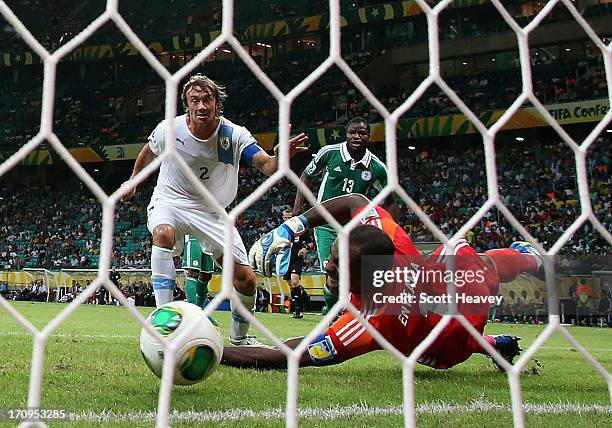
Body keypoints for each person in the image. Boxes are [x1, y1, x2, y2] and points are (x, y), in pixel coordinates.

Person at [223, 194, 540, 370]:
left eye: (336, 265)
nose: (327, 265)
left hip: (451, 334)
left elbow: (292, 356)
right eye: (333, 256)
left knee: (467, 259)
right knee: (456, 252)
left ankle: (531, 259)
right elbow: (354, 201)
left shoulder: (372, 320)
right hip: (435, 305)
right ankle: (499, 342)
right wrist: (293, 226)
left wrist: (212, 349)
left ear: (366, 278)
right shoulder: (390, 239)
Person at [121, 73, 308, 345]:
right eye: (194, 100)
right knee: (162, 233)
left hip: (212, 212)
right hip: (171, 201)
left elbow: (266, 166)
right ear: (186, 103)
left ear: (216, 102)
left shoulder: (233, 135)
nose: (201, 106)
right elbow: (149, 151)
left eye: (206, 99)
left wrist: (279, 158)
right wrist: (133, 181)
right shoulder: (170, 129)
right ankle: (163, 322)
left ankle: (240, 339)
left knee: (245, 279)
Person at [292, 117, 398, 313]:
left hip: (354, 227)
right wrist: (298, 210)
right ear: (346, 134)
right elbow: (307, 175)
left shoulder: (377, 167)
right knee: (331, 271)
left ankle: (341, 309)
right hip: (326, 223)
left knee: (351, 273)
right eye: (353, 132)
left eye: (362, 133)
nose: (357, 136)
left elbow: (390, 199)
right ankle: (334, 312)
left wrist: (392, 229)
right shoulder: (329, 153)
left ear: (369, 137)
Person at [281, 209, 308, 318]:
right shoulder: (280, 230)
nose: (287, 219)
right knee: (292, 285)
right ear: (283, 218)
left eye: (289, 217)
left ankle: (298, 311)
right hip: (285, 260)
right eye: (285, 217)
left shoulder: (300, 228)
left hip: (297, 258)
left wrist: (305, 248)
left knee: (294, 281)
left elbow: (310, 243)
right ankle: (303, 294)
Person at [181, 234, 215, 309]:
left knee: (207, 275)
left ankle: (199, 309)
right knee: (193, 273)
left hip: (209, 237)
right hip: (194, 235)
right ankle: (192, 310)